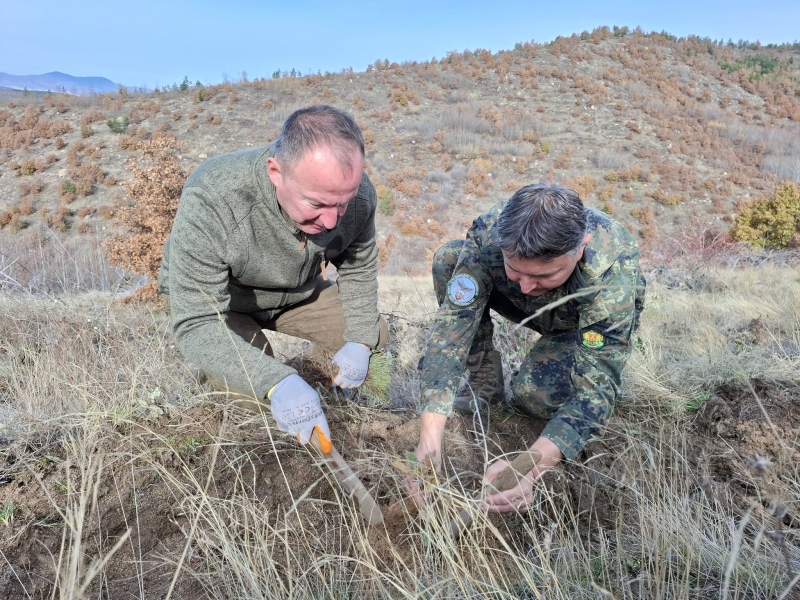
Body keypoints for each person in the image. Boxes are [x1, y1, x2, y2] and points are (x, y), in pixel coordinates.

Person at [158, 105, 387, 447]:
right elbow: (197, 322)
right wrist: (275, 381)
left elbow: (359, 266)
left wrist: (359, 341)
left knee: (374, 337)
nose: (331, 222)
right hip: (225, 305)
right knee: (253, 397)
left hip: (298, 295)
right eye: (316, 205)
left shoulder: (357, 195)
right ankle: (238, 383)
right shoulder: (214, 194)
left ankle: (326, 391)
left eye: (342, 203)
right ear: (276, 172)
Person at [409, 183, 645, 513]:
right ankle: (485, 382)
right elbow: (451, 333)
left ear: (580, 249)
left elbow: (596, 389)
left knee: (534, 394)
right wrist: (429, 442)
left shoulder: (611, 267)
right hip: (522, 310)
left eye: (545, 275)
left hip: (575, 326)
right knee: (450, 258)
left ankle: (543, 369)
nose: (526, 285)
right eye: (515, 270)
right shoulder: (488, 233)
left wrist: (531, 467)